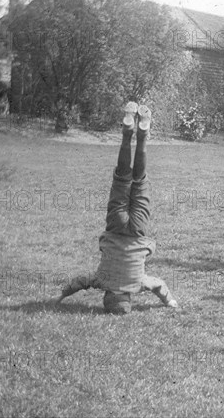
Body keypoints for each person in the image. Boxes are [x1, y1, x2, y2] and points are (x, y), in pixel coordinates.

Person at [56, 102, 177, 314]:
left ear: (128, 297)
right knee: (122, 179)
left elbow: (159, 285)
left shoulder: (139, 283)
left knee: (139, 180)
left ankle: (142, 136)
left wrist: (170, 302)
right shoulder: (101, 281)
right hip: (115, 226)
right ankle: (127, 132)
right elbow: (78, 282)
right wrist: (62, 295)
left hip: (137, 232)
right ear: (107, 295)